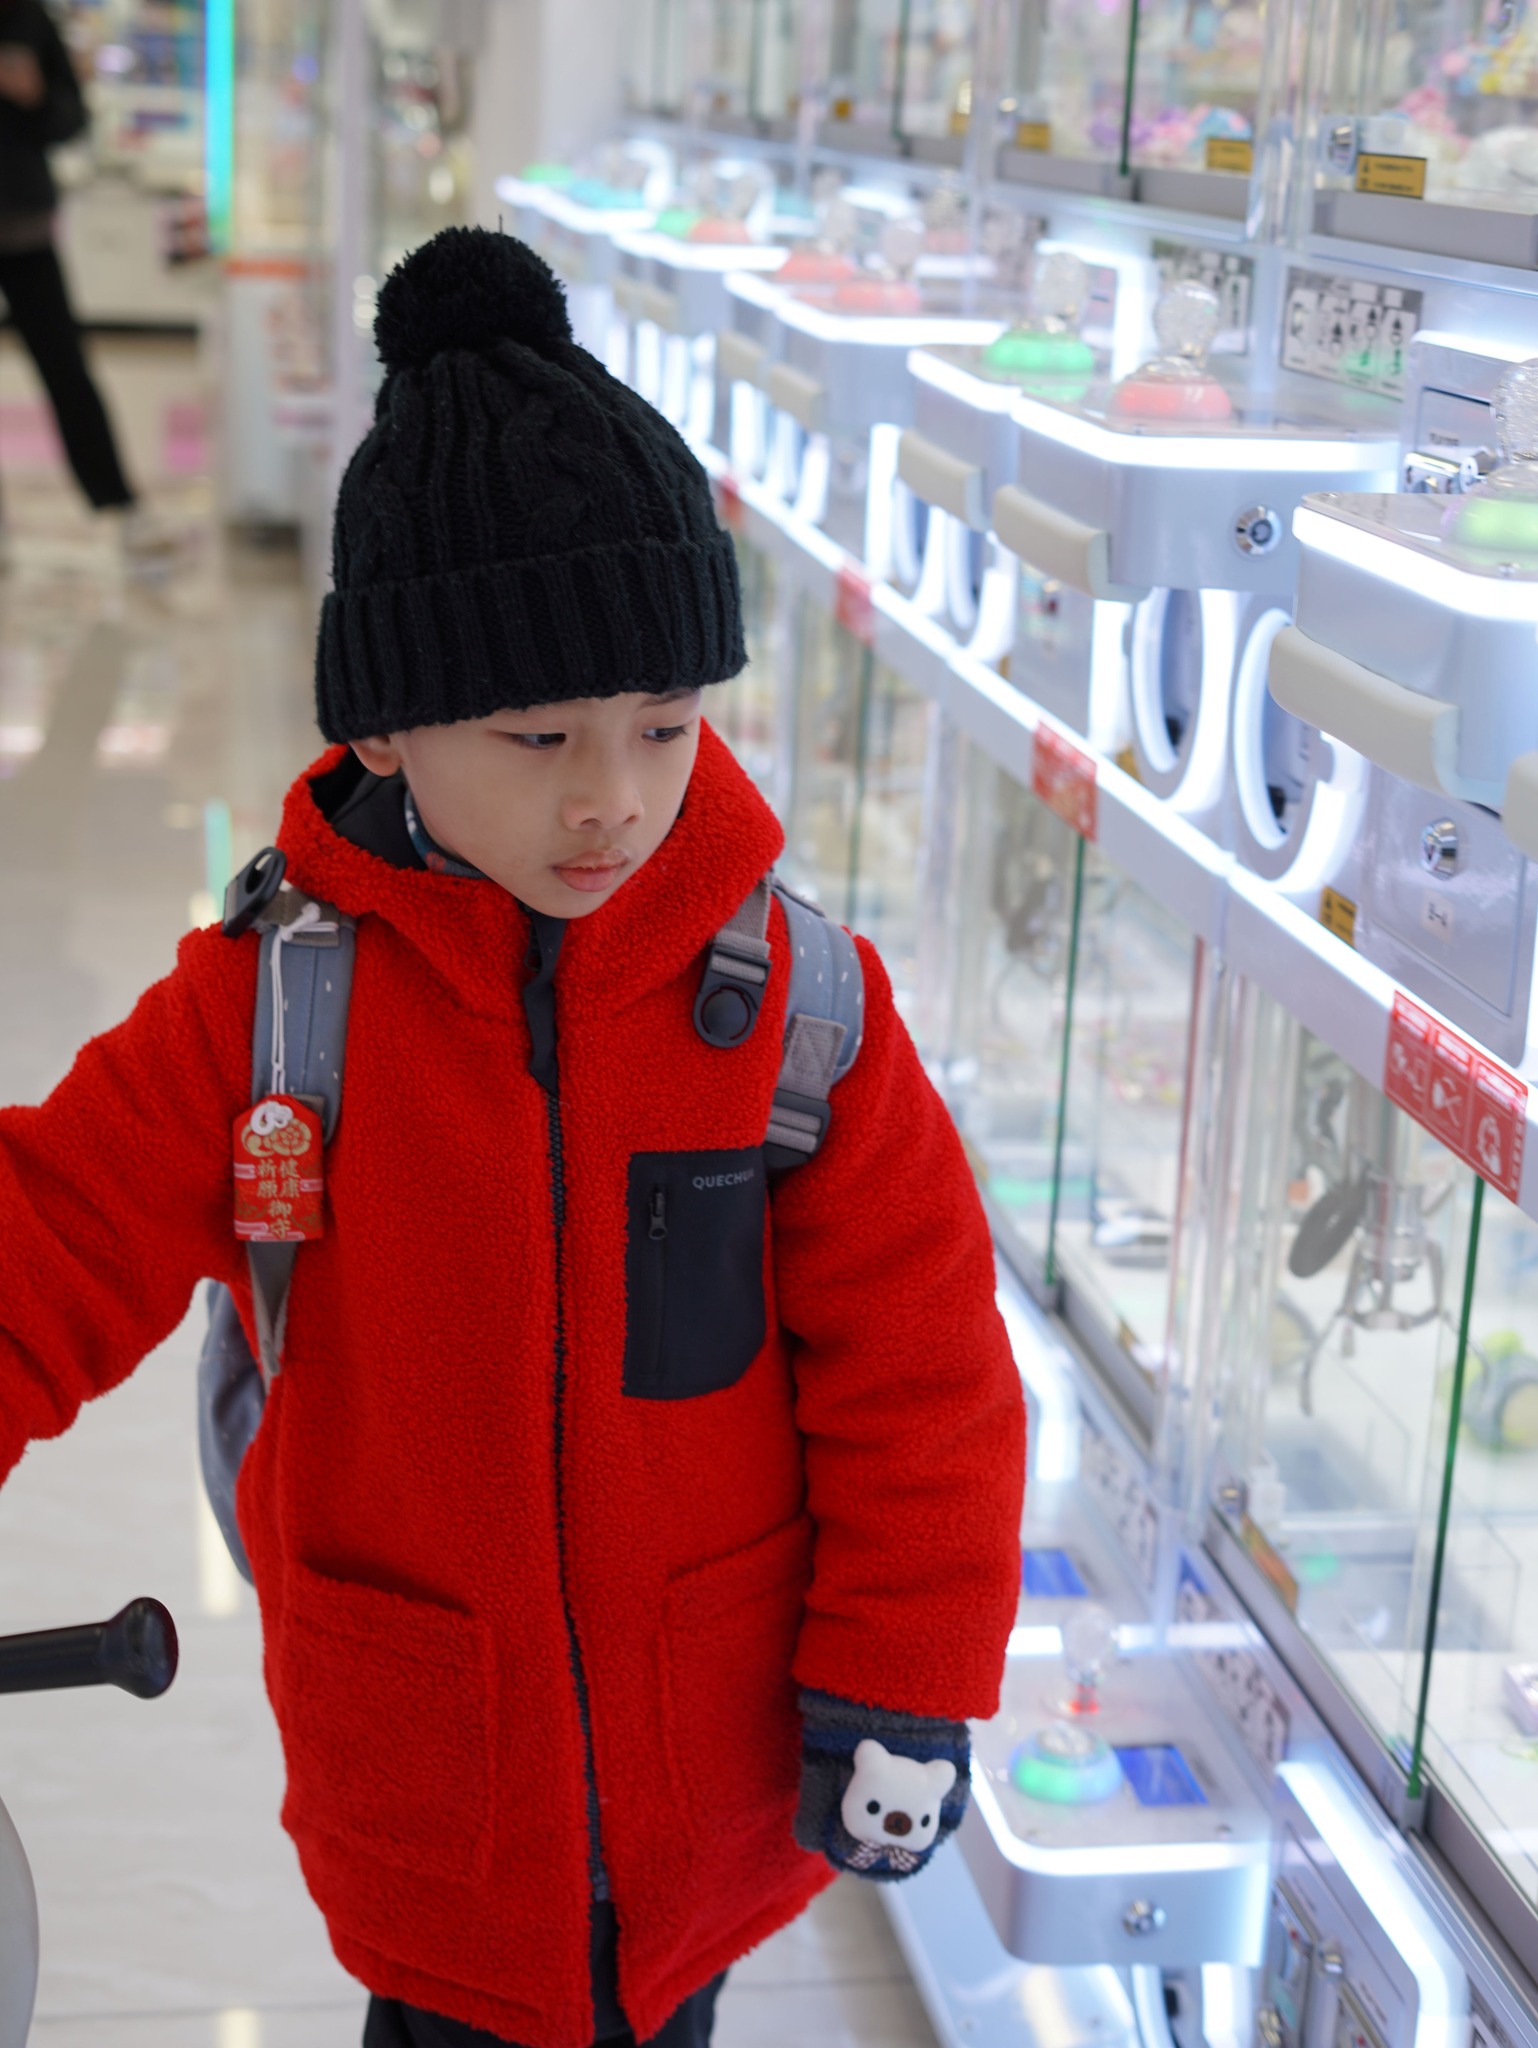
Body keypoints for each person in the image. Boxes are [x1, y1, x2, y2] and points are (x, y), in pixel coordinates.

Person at [0, 227, 1025, 2048]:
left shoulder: (792, 1009)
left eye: (664, 725)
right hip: (429, 1783)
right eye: (539, 735)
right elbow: (50, 1237)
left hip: (711, 1770)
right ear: (390, 724)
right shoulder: (273, 1006)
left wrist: (902, 1673)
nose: (612, 798)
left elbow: (923, 1364)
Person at [0, 0, 172, 567]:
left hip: (24, 230)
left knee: (66, 370)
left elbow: (71, 120)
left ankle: (120, 503)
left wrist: (34, 95)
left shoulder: (30, 20)